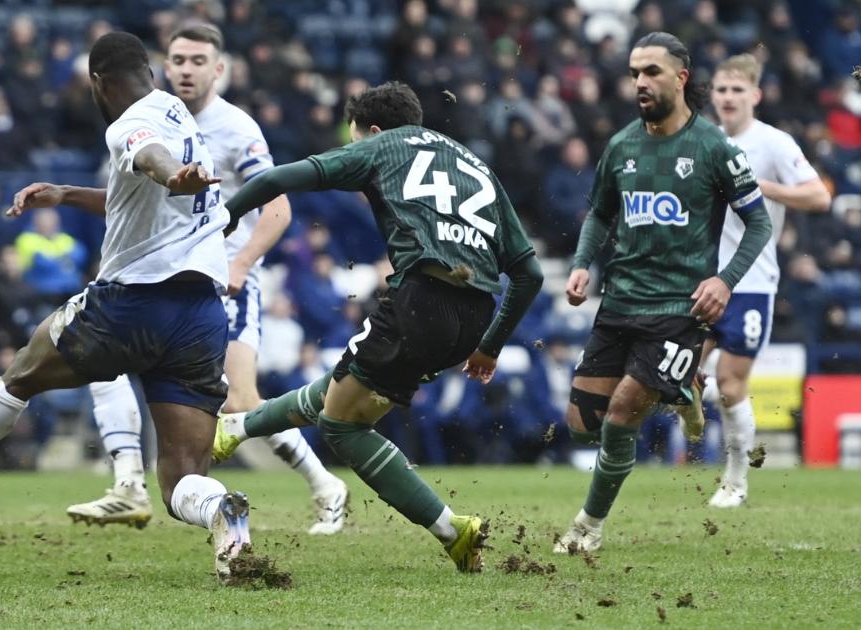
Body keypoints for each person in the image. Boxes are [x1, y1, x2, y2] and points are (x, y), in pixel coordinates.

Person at [0, 31, 254, 581]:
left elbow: (146, 156)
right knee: (182, 475)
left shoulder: (127, 123)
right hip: (202, 313)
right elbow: (141, 192)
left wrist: (169, 174)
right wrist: (66, 193)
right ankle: (221, 515)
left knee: (20, 375)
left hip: (134, 302)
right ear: (152, 72)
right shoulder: (182, 117)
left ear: (96, 83)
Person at [212, 81, 544, 572]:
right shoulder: (475, 164)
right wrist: (490, 347)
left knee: (341, 424)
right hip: (473, 318)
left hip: (422, 300)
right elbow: (530, 273)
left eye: (354, 139)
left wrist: (226, 215)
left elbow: (279, 177)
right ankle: (237, 427)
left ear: (371, 130)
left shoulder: (382, 146)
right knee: (346, 386)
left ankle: (453, 529)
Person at [50, 24, 349, 534]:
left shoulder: (235, 127)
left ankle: (325, 485)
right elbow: (125, 204)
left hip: (223, 279)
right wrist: (63, 193)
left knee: (241, 400)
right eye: (178, 59)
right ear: (161, 67)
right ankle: (127, 485)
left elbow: (277, 209)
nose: (186, 69)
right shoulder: (149, 119)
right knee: (105, 366)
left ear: (219, 69)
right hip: (161, 281)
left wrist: (240, 265)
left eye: (198, 60)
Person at [553, 33, 772, 554]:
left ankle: (588, 526)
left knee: (625, 410)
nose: (639, 83)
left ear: (681, 77)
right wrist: (583, 263)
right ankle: (682, 386)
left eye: (651, 71)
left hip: (679, 307)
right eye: (633, 73)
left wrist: (724, 280)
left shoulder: (714, 148)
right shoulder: (623, 144)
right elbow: (601, 214)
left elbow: (759, 225)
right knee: (583, 425)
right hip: (621, 303)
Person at [683, 54, 829, 508]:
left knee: (730, 384)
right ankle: (685, 405)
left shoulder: (774, 143)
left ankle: (735, 481)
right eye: (721, 90)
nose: (727, 98)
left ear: (755, 96)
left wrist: (761, 188)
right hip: (701, 280)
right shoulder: (699, 139)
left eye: (736, 90)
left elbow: (820, 196)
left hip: (751, 281)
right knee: (677, 374)